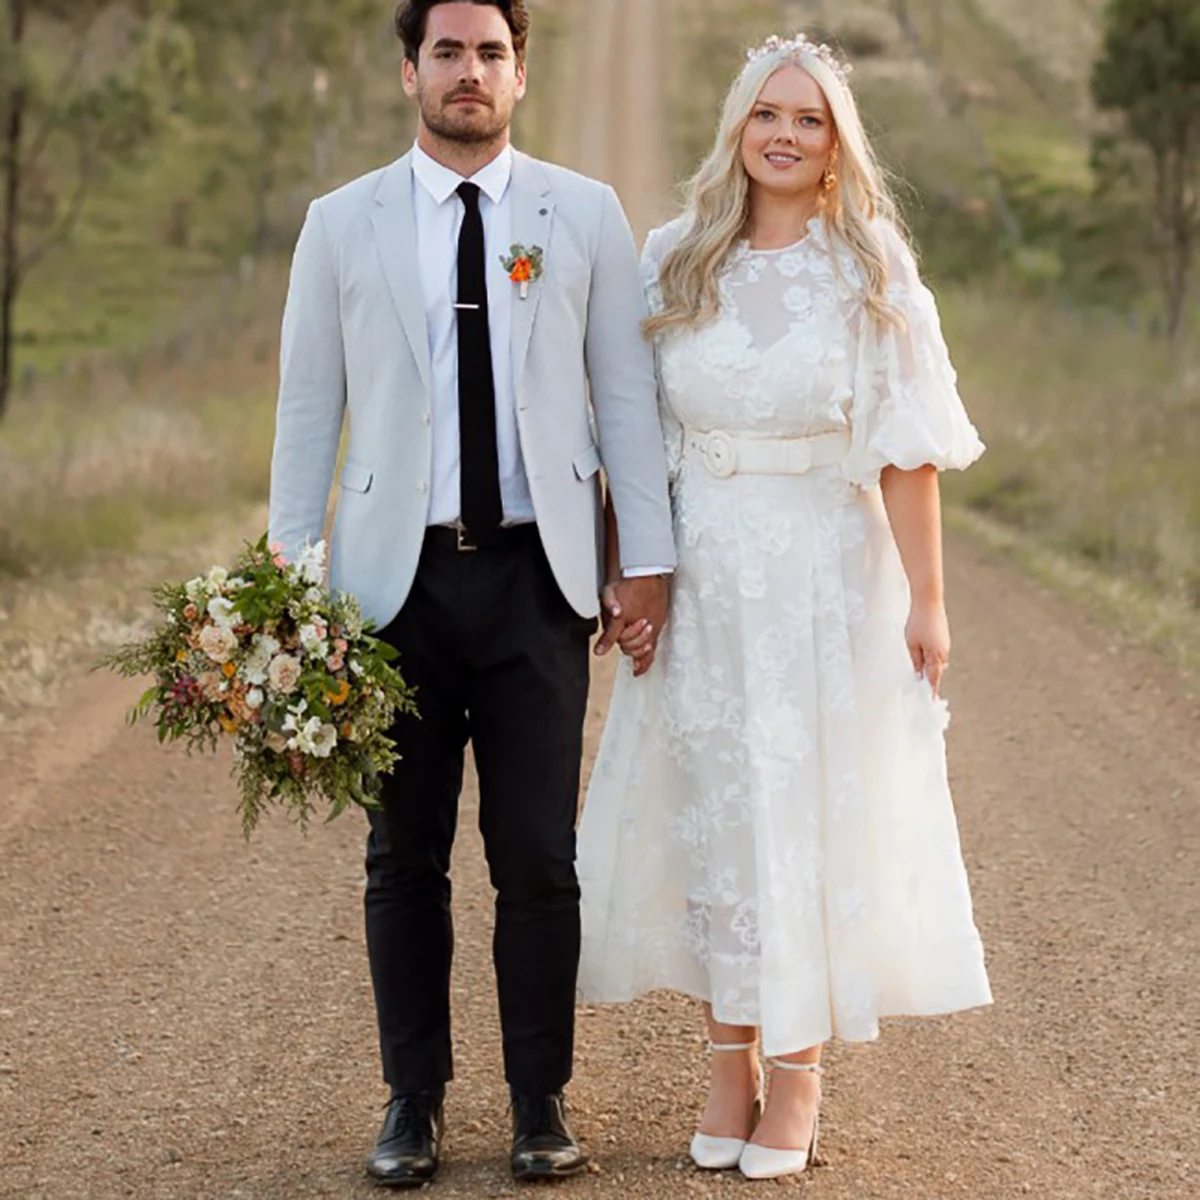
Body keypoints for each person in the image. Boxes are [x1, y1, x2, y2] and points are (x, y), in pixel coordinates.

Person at [267, 0, 675, 1186]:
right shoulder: (340, 225)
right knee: (403, 856)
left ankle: (540, 1102)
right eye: (447, 52)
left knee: (539, 856)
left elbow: (625, 400)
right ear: (409, 73)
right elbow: (306, 421)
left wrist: (640, 560)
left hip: (535, 583)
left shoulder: (581, 213)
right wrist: (292, 588)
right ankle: (413, 1102)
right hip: (390, 594)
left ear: (519, 75)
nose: (469, 73)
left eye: (490, 53)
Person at [577, 32, 993, 1182]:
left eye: (809, 120)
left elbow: (906, 449)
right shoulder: (674, 258)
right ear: (738, 128)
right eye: (768, 114)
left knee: (800, 812)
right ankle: (725, 1063)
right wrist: (630, 570)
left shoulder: (872, 270)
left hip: (822, 568)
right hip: (704, 567)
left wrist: (928, 600)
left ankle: (797, 1075)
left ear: (835, 145)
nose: (785, 135)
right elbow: (627, 431)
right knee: (711, 806)